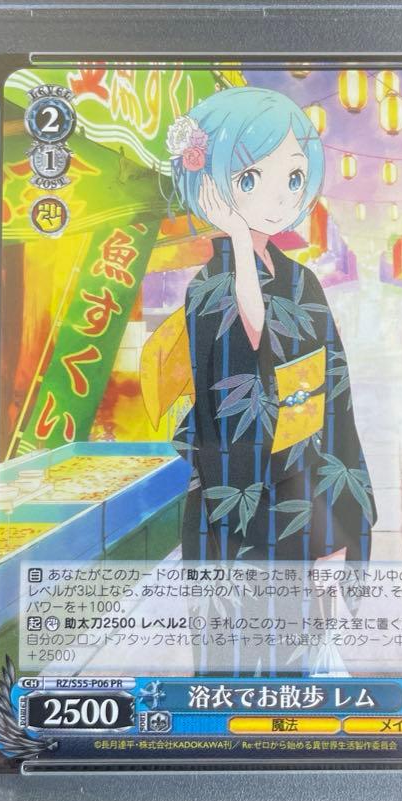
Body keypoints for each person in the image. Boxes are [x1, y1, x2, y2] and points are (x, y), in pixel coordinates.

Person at [143, 85, 376, 567]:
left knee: (309, 598)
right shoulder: (208, 287)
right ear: (208, 186)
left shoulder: (302, 278)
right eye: (249, 178)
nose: (280, 196)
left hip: (310, 471)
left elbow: (335, 385)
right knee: (250, 599)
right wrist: (236, 234)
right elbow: (250, 349)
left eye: (294, 176)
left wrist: (341, 502)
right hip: (245, 482)